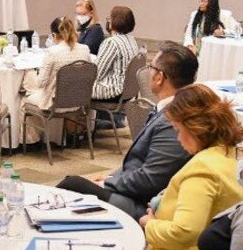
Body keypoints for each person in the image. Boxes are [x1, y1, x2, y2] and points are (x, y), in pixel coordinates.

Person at [57, 42, 195, 217]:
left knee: (71, 185)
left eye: (151, 68)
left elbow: (151, 180)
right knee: (74, 186)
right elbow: (138, 162)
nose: (149, 72)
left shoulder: (173, 121)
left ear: (160, 77)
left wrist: (109, 184)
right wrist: (111, 178)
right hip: (132, 188)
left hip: (143, 205)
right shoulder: (169, 108)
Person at [140, 84, 243, 250]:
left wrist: (148, 224)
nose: (178, 138)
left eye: (178, 130)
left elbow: (183, 233)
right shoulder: (232, 154)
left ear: (194, 127)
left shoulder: (203, 169)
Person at [22, 16, 93, 132]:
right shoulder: (85, 49)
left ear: (54, 35)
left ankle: (32, 139)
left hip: (54, 105)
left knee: (23, 100)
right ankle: (57, 136)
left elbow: (40, 83)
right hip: (78, 103)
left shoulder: (52, 52)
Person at [92, 6, 141, 100]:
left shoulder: (111, 43)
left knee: (77, 86)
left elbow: (96, 73)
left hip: (115, 90)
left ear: (115, 21)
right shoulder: (132, 40)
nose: (108, 20)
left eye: (110, 18)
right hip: (128, 90)